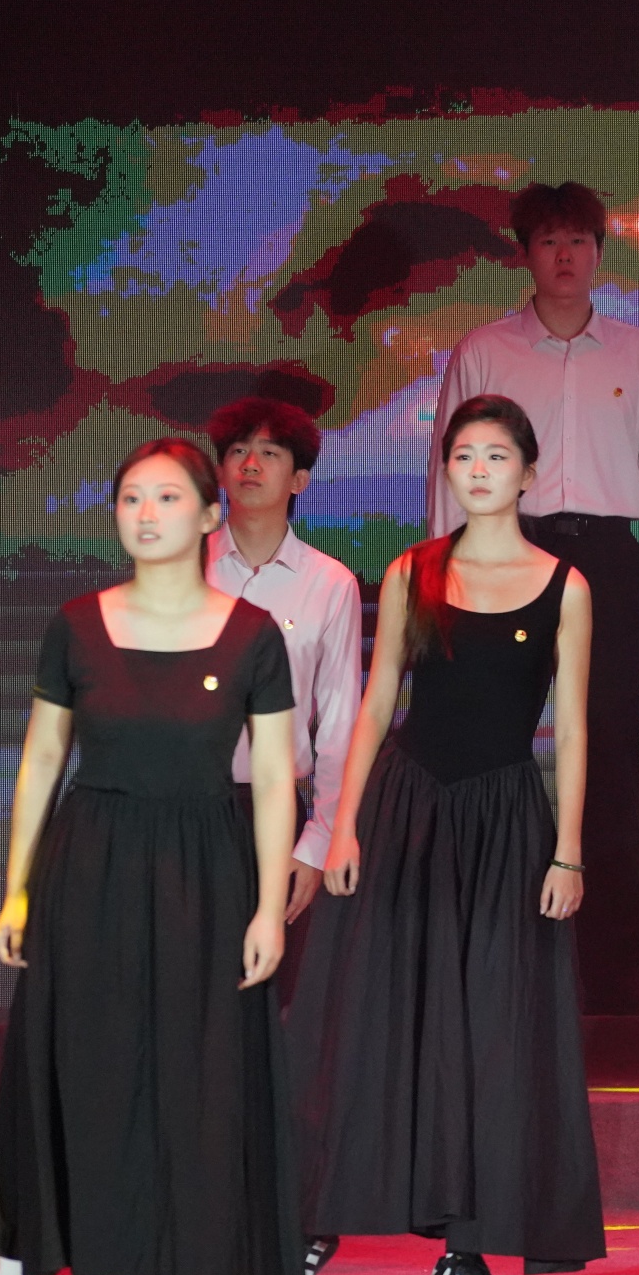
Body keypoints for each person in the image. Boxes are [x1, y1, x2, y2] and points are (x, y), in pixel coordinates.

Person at [0, 438, 301, 1275]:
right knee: (60, 1077)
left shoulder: (252, 634)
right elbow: (42, 758)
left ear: (209, 516)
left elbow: (276, 777)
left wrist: (269, 906)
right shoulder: (76, 625)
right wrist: (17, 886)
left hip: (205, 876)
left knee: (189, 1090)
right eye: (130, 499)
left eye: (167, 498)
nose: (145, 515)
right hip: (92, 869)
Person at [286, 393, 603, 1275]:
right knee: (366, 1019)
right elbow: (376, 701)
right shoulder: (412, 570)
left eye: (496, 455)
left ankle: (463, 1256)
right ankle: (311, 1227)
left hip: (505, 825)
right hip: (407, 813)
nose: (478, 470)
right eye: (463, 455)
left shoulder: (565, 586)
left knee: (488, 1033)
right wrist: (343, 825)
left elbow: (573, 728)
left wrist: (568, 852)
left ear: (529, 472)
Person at [431, 181, 639, 1015]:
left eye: (579, 240)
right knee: (487, 750)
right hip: (507, 553)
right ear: (526, 253)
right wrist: (443, 587)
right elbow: (448, 473)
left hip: (607, 560)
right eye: (549, 241)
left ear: (600, 251)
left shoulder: (637, 353)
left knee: (609, 756)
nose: (566, 256)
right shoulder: (484, 351)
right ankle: (485, 964)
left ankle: (612, 972)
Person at [203, 395, 363, 985]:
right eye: (238, 451)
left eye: (269, 453)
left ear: (299, 479)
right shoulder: (181, 566)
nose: (250, 463)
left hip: (274, 812)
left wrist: (317, 841)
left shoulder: (330, 584)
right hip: (180, 803)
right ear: (219, 471)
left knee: (265, 990)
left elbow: (341, 723)